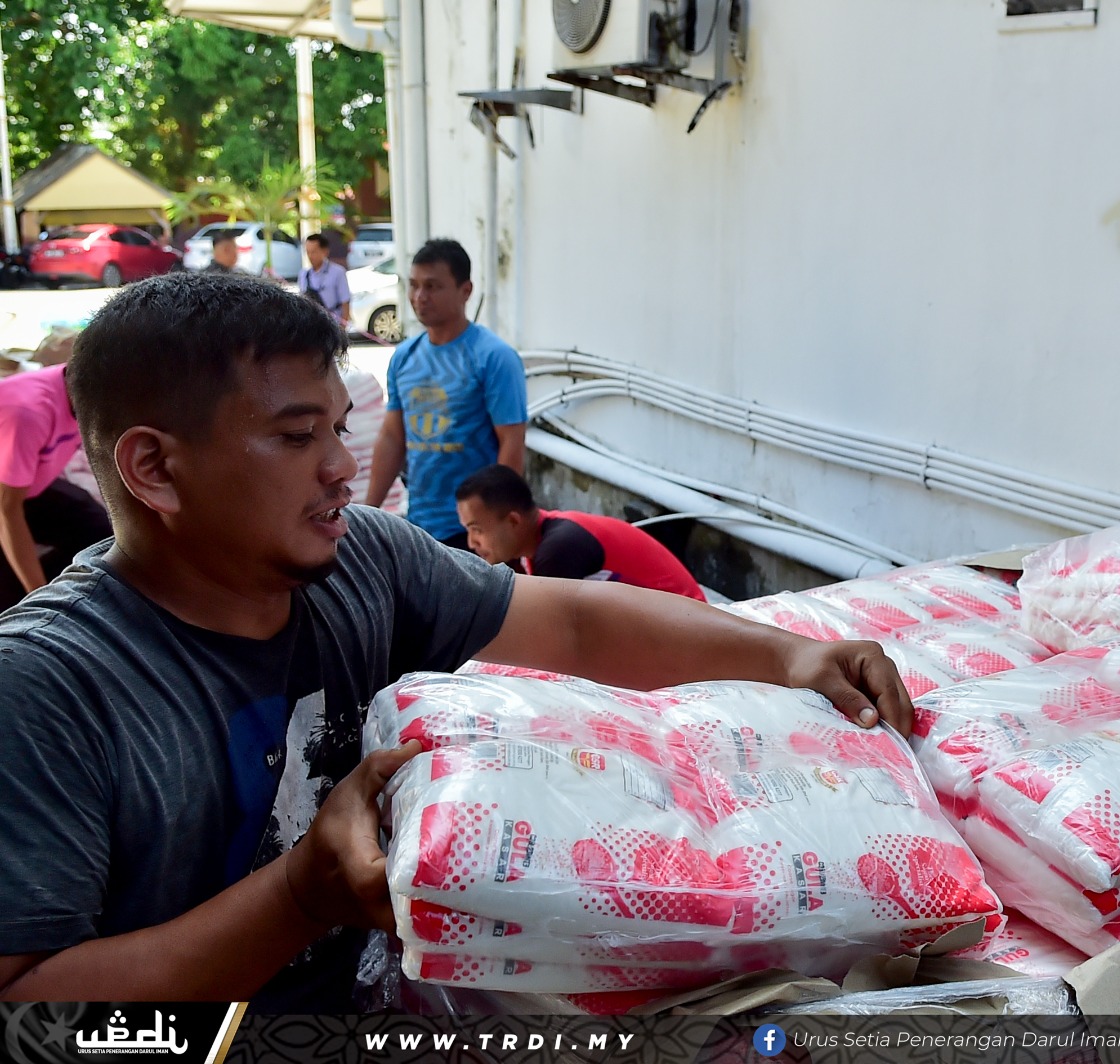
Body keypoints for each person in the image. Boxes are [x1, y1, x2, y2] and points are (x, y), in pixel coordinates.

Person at [0, 273, 911, 1008]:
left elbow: (577, 622)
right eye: (293, 436)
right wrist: (297, 896)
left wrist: (786, 654)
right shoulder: (44, 686)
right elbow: (29, 1005)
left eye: (339, 430)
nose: (337, 468)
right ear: (156, 468)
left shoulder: (365, 560)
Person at [365, 238, 526, 549]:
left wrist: (492, 530)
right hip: (419, 524)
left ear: (465, 290)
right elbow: (392, 437)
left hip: (473, 532)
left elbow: (512, 442)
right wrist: (367, 512)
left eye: (433, 286)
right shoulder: (404, 357)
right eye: (413, 285)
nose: (419, 297)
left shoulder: (494, 357)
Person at [456, 463, 707, 601]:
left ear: (513, 520)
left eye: (476, 529)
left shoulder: (558, 550)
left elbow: (554, 634)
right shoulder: (544, 540)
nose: (471, 542)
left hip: (688, 624)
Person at [0, 362, 112, 610]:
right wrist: (37, 593)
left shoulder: (85, 385)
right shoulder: (28, 413)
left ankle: (66, 588)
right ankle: (42, 604)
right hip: (7, 498)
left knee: (98, 527)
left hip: (26, 486)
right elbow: (6, 509)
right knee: (11, 596)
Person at [299, 233, 351, 327]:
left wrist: (342, 329)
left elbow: (345, 303)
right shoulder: (303, 274)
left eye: (314, 252)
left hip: (333, 325)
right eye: (308, 252)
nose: (310, 256)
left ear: (325, 251)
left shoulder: (338, 272)